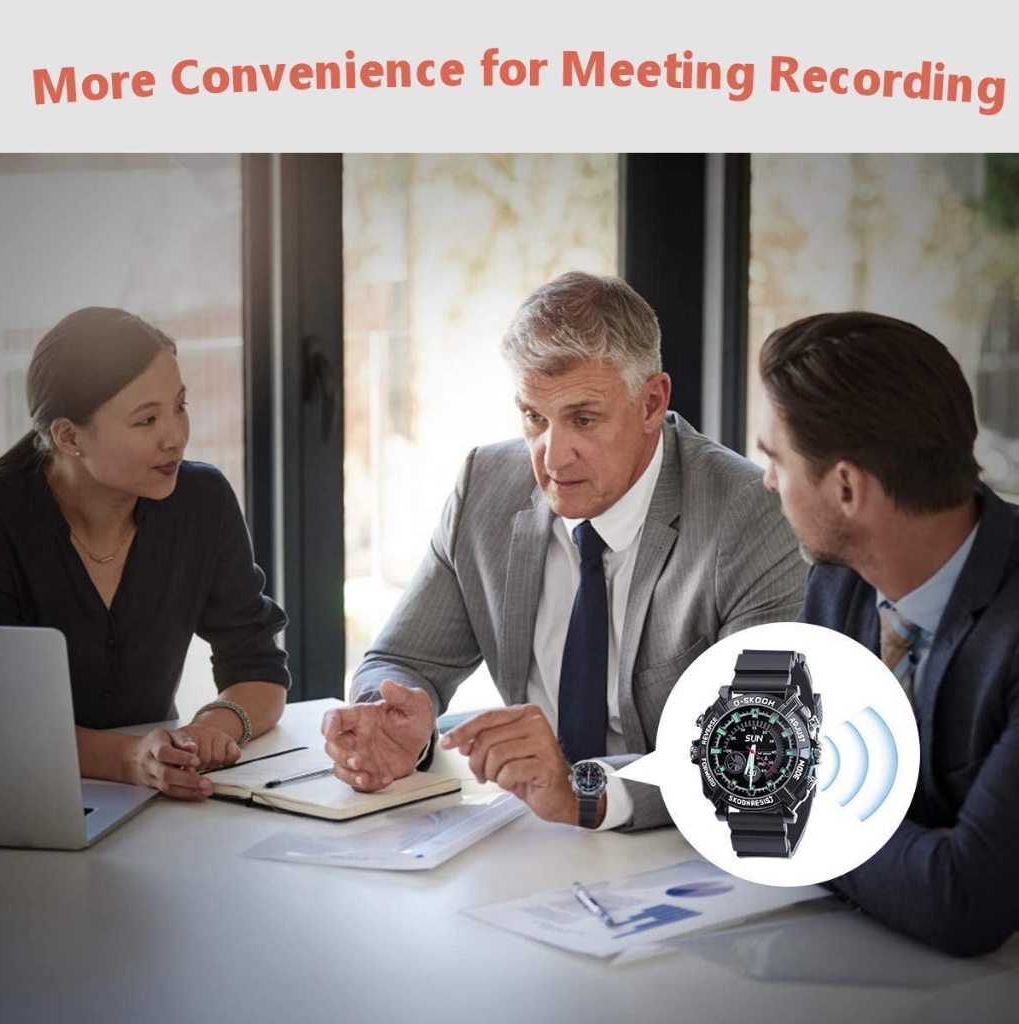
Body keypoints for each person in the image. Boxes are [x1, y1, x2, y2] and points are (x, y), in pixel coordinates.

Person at [323, 271, 806, 830]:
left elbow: (760, 752)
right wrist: (394, 717)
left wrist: (585, 792)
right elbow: (402, 659)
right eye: (534, 418)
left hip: (678, 852)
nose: (553, 459)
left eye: (583, 419)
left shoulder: (749, 514)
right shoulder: (486, 484)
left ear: (651, 402)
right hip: (531, 838)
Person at [756, 310, 1019, 956]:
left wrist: (798, 818)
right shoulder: (840, 575)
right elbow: (764, 758)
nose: (768, 482)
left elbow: (965, 900)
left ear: (846, 486)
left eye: (777, 461)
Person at [0, 307, 290, 800]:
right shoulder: (4, 518)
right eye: (147, 419)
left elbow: (258, 666)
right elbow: (4, 721)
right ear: (69, 437)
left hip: (149, 801)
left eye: (180, 406)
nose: (174, 435)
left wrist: (210, 729)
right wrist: (129, 758)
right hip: (21, 802)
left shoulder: (201, 501)